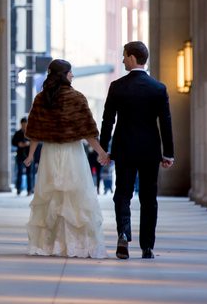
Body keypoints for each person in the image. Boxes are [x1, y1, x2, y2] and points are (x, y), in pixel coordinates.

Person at [24, 59, 109, 258]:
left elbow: (34, 132)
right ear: (64, 74)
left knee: (50, 198)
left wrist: (30, 155)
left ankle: (49, 245)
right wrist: (101, 152)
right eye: (71, 72)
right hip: (73, 153)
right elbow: (87, 131)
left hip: (50, 153)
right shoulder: (77, 98)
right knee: (76, 198)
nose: (73, 75)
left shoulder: (41, 99)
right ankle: (77, 244)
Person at [100, 41, 175, 261]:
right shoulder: (158, 88)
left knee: (122, 194)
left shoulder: (117, 87)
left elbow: (108, 121)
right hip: (150, 151)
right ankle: (147, 247)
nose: (122, 60)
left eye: (124, 56)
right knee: (149, 198)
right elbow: (166, 123)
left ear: (132, 58)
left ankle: (123, 233)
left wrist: (104, 149)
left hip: (124, 150)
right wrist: (168, 153)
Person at [11, 118, 33, 195]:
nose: (24, 126)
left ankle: (29, 189)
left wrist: (28, 144)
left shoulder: (30, 133)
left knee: (29, 173)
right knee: (19, 172)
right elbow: (13, 142)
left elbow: (35, 143)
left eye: (25, 124)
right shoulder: (18, 133)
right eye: (23, 124)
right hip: (20, 155)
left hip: (28, 155)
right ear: (21, 124)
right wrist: (19, 144)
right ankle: (18, 189)